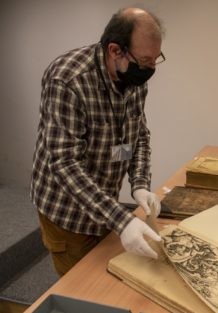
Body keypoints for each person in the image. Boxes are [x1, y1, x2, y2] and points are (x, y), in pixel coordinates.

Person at [30, 7, 166, 276]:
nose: (149, 70)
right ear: (115, 50)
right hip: (68, 213)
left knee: (108, 277)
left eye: (155, 60)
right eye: (144, 61)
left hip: (105, 203)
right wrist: (121, 220)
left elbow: (139, 135)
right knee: (83, 290)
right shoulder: (67, 79)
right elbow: (65, 164)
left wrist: (139, 184)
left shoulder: (134, 79)